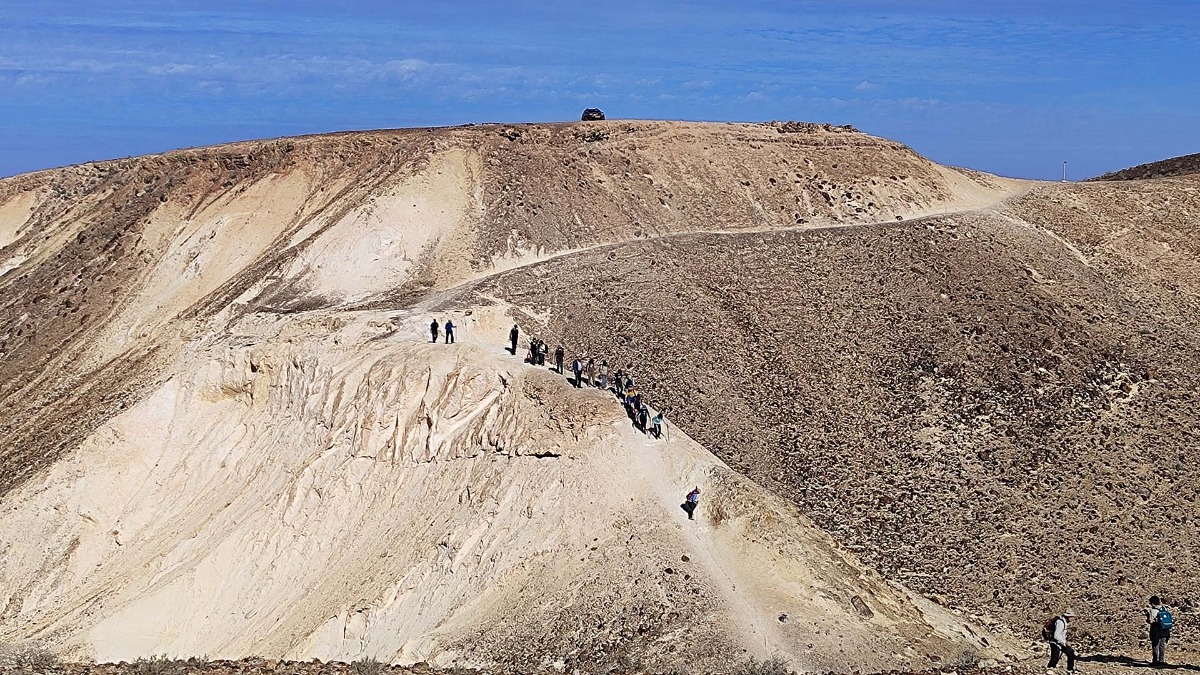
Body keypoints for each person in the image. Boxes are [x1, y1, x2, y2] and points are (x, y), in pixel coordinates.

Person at [1146, 596, 1173, 666]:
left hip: (1156, 629)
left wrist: (1147, 618)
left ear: (1152, 603)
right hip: (1165, 629)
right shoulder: (1164, 608)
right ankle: (1161, 660)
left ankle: (1155, 661)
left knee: (1155, 644)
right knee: (1162, 644)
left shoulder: (1153, 610)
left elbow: (1151, 621)